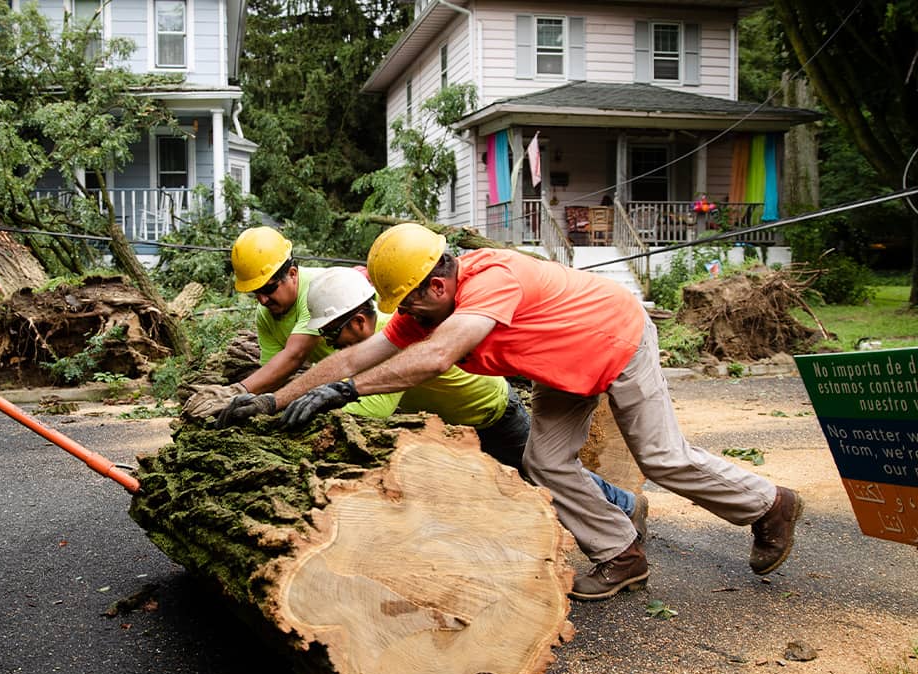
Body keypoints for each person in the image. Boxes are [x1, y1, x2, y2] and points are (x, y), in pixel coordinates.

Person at [219, 223, 802, 602]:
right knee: (544, 460)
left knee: (660, 456)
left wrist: (347, 395)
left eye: (413, 304)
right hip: (563, 370)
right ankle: (620, 552)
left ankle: (769, 504)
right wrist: (275, 399)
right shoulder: (424, 308)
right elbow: (358, 355)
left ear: (438, 286)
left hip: (614, 338)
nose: (409, 317)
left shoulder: (491, 277)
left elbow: (438, 355)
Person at [300, 267, 645, 532]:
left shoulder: (395, 337)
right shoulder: (378, 338)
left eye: (332, 333)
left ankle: (626, 505)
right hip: (454, 423)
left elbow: (373, 411)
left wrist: (322, 419)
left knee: (544, 474)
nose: (330, 343)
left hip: (492, 414)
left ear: (359, 321)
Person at [182, 227, 334, 418]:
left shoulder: (318, 290)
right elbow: (274, 373)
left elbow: (295, 355)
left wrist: (235, 392)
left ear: (293, 274)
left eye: (269, 289)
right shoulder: (265, 314)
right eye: (256, 293)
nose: (263, 300)